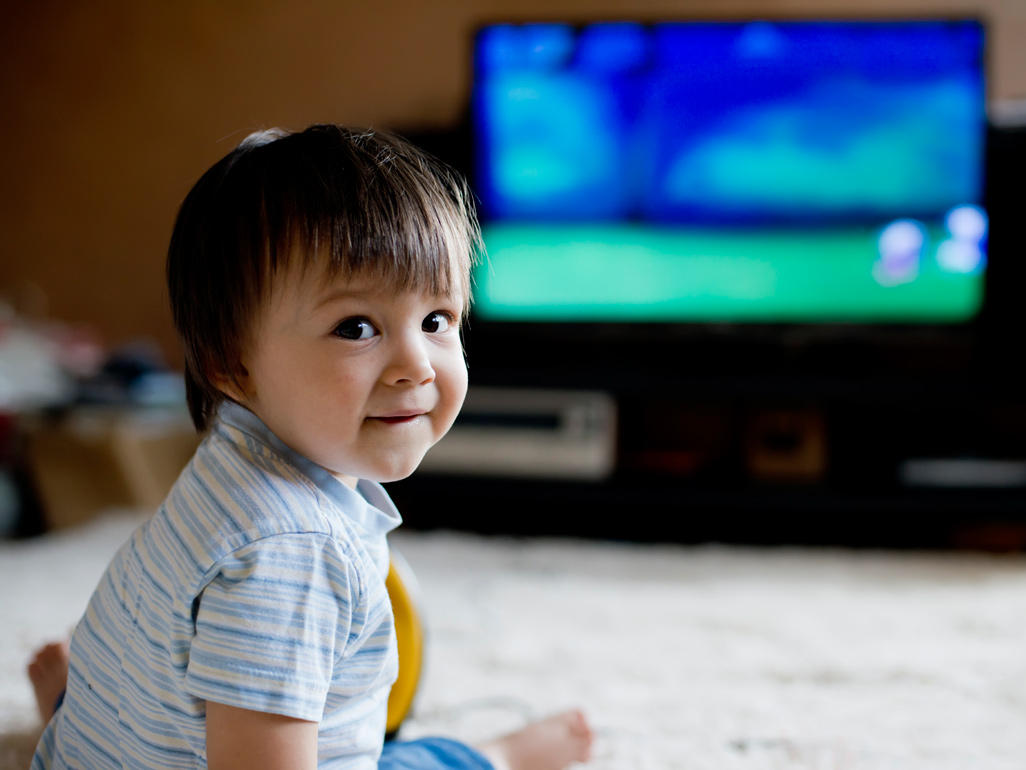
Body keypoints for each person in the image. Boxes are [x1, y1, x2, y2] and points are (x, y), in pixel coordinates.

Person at [27, 125, 593, 770]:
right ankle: (496, 753)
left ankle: (83, 711)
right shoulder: (294, 557)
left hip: (114, 745)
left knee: (152, 687)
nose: (417, 364)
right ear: (230, 363)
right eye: (357, 327)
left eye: (437, 320)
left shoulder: (232, 460)